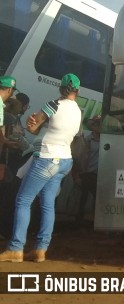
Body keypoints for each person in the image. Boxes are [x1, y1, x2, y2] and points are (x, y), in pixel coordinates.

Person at [0, 73, 82, 263]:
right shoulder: (78, 111)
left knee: (23, 200)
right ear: (77, 91)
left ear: (61, 88)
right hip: (64, 160)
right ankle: (40, 249)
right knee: (47, 204)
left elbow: (33, 127)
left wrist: (32, 124)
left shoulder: (53, 105)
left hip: (46, 157)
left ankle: (16, 248)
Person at [71, 115, 101, 223]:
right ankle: (79, 220)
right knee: (83, 197)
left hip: (99, 174)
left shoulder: (106, 141)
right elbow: (78, 158)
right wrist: (77, 175)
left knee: (96, 197)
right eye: (96, 124)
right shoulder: (87, 140)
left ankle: (94, 220)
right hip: (87, 173)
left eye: (100, 124)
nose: (98, 127)